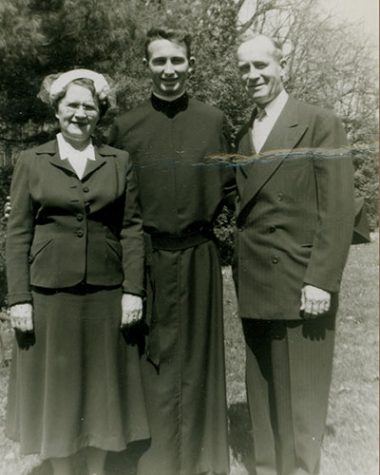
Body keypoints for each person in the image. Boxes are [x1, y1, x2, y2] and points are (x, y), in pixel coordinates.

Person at [6, 69, 149, 475]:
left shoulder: (118, 161)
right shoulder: (31, 161)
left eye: (89, 106)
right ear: (57, 110)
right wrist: (19, 299)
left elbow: (132, 229)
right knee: (60, 393)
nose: (80, 113)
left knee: (101, 392)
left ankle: (97, 469)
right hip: (50, 295)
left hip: (106, 293)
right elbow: (17, 235)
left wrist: (132, 291)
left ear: (99, 113)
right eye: (72, 105)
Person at [109, 27, 234, 475]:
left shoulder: (214, 120)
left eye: (176, 60)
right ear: (146, 66)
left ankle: (203, 458)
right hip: (149, 257)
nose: (168, 70)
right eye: (159, 61)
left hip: (199, 254)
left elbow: (232, 187)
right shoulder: (125, 127)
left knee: (199, 358)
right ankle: (156, 460)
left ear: (190, 65)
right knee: (153, 360)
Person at [233, 34, 355, 475]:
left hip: (302, 280)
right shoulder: (246, 131)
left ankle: (302, 469)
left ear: (283, 66)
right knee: (262, 384)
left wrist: (320, 279)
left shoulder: (319, 122)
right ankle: (267, 467)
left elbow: (339, 207)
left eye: (261, 66)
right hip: (255, 279)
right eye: (244, 69)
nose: (253, 76)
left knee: (302, 390)